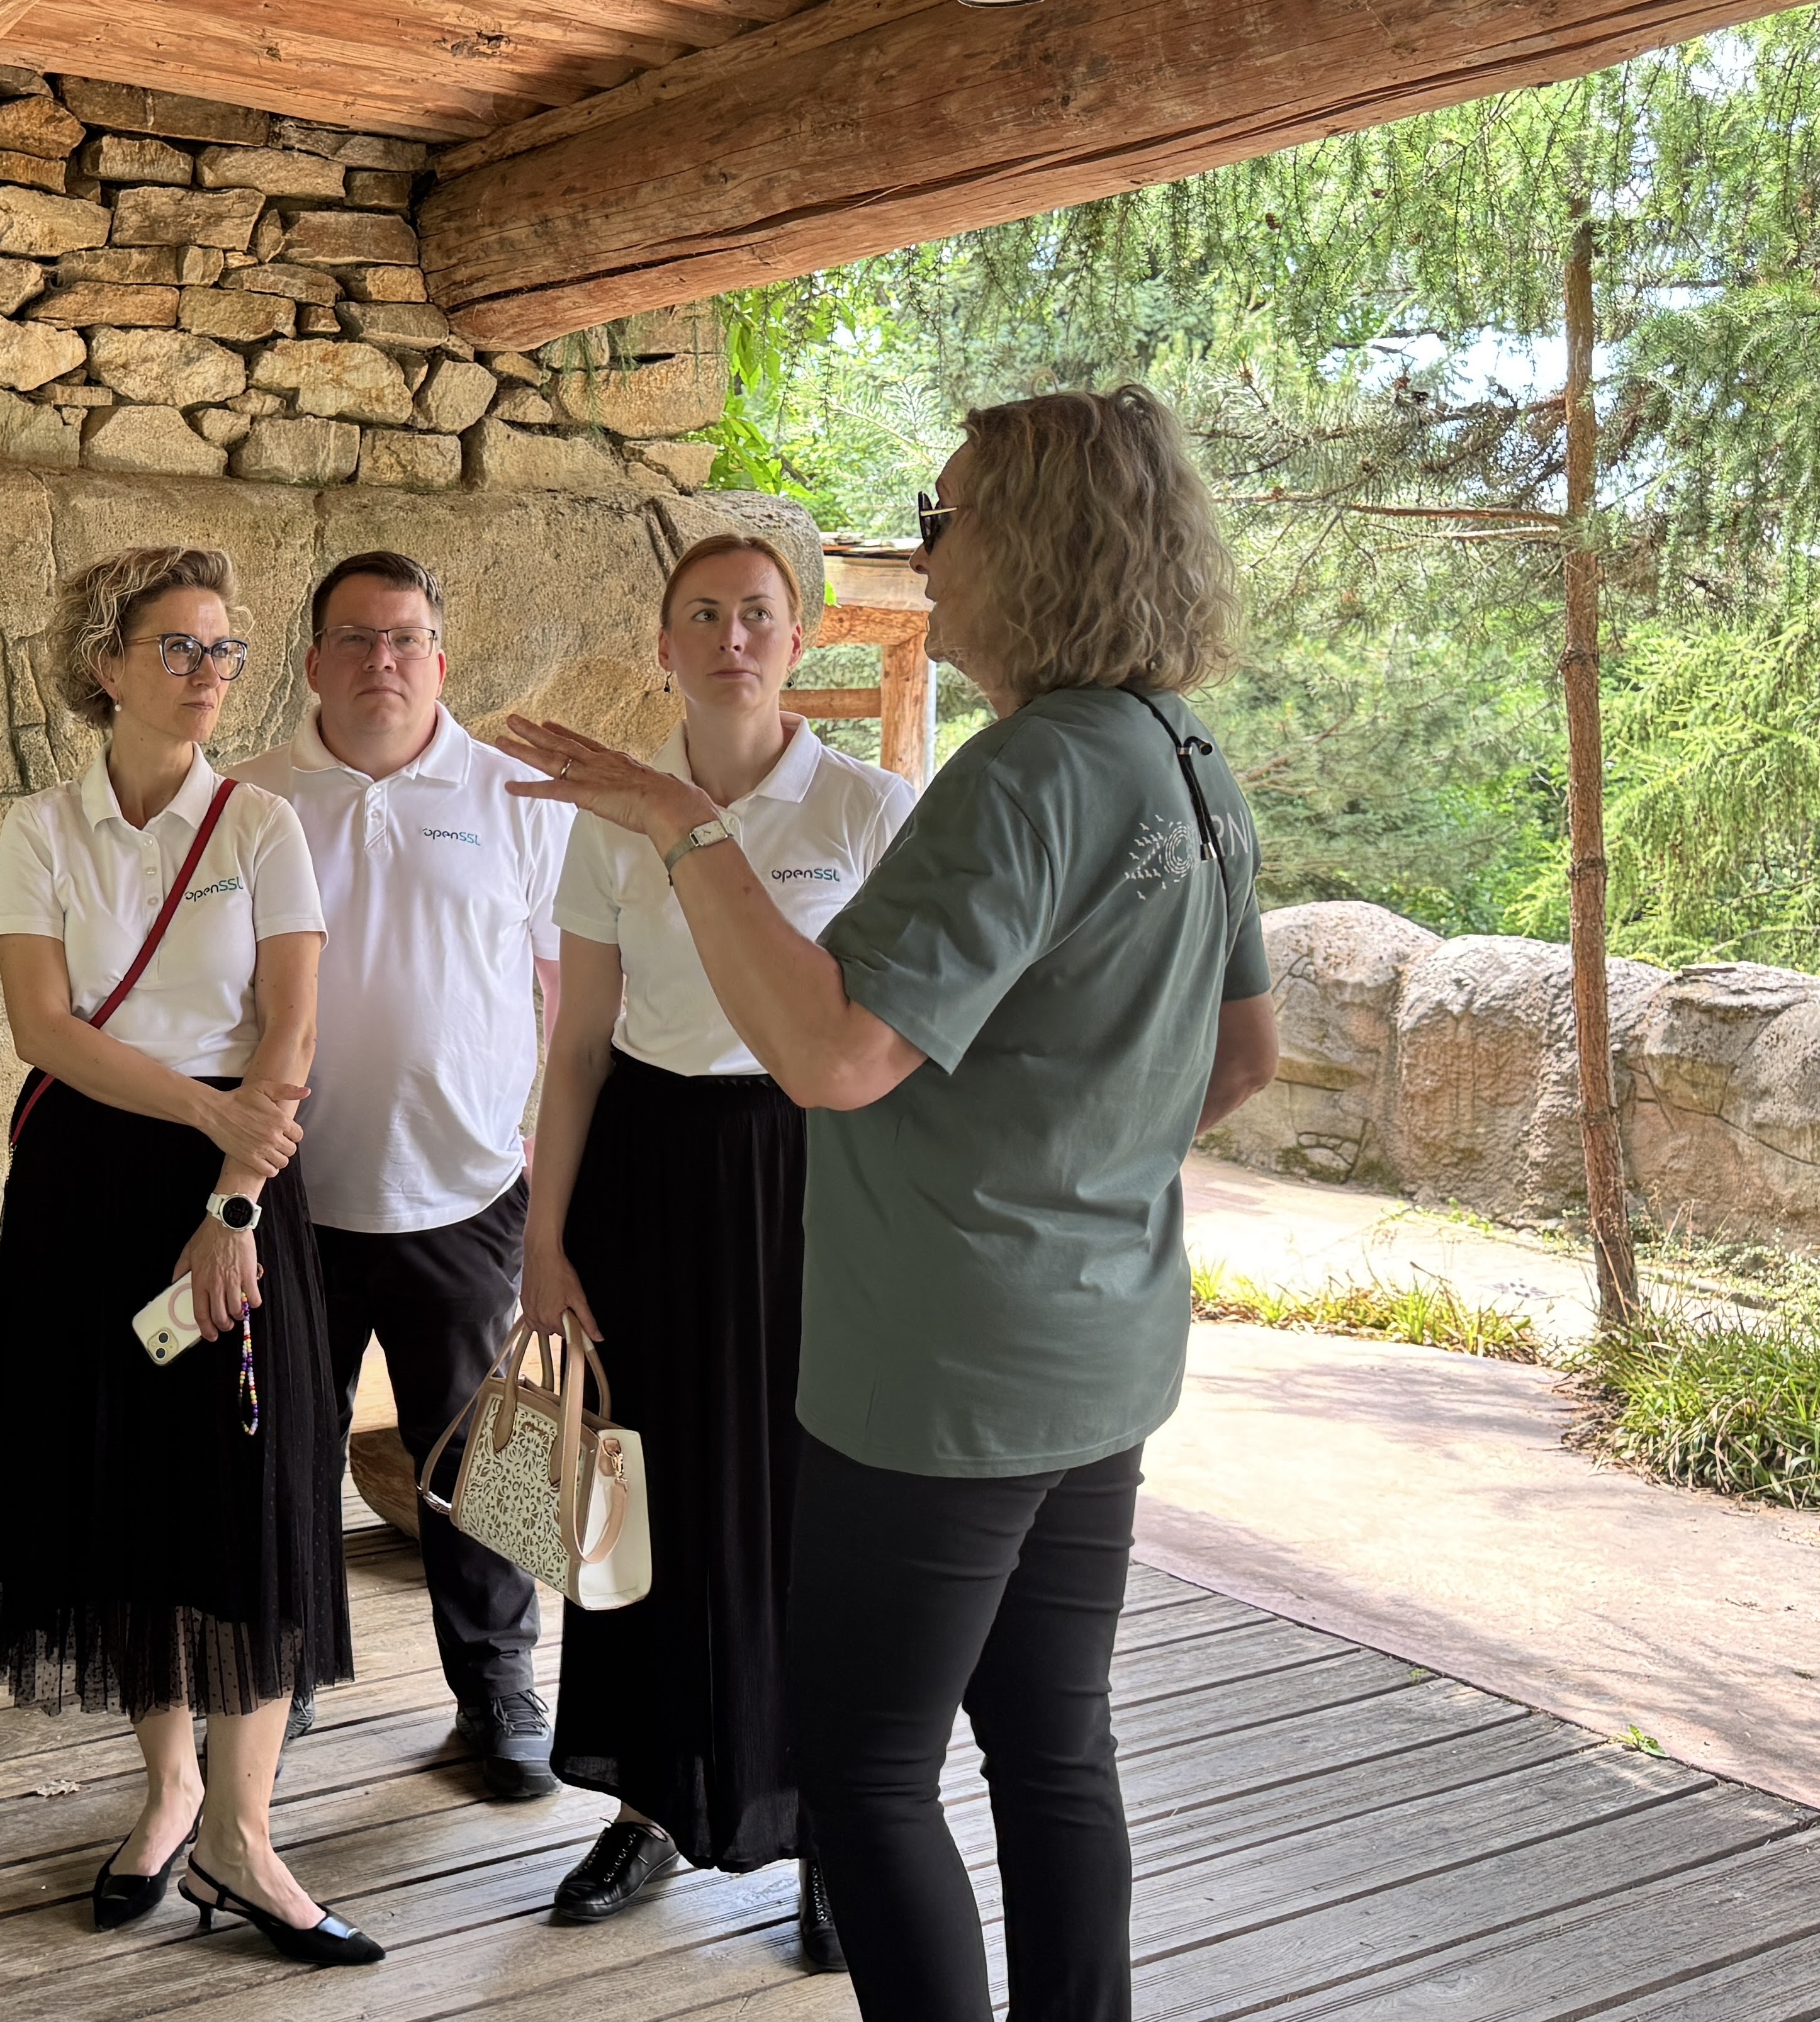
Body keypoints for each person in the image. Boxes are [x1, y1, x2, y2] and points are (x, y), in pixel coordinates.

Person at [500, 386, 1284, 2022]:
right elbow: (1242, 1053)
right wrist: (1052, 1173)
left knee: (865, 1767)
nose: (925, 558)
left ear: (1042, 543)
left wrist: (676, 819)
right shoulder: (1189, 762)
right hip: (1103, 1344)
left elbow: (825, 1052)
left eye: (947, 520)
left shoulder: (1018, 780)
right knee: (1055, 1742)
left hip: (947, 1364)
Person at [0, 546, 379, 1967]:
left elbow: (293, 1027)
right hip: (91, 1183)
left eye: (225, 650)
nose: (208, 674)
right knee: (127, 1496)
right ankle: (171, 1791)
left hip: (241, 1185)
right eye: (180, 647)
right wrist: (209, 1116)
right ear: (107, 662)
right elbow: (46, 1026)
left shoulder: (261, 824)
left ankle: (244, 1836)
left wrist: (235, 1194)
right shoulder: (42, 828)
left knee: (253, 1495)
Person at [519, 532, 916, 1969]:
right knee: (632, 1495)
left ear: (798, 637)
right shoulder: (610, 815)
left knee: (803, 1508)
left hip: (808, 1178)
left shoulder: (871, 805)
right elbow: (576, 1043)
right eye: (705, 613)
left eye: (759, 614)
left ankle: (817, 1826)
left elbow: (891, 1049)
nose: (732, 637)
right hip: (642, 1170)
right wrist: (543, 1236)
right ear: (665, 641)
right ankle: (641, 1795)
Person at [227, 551, 575, 1799]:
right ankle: (289, 1669)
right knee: (278, 1455)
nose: (385, 661)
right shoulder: (253, 798)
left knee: (502, 1461)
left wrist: (556, 1170)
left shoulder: (517, 792)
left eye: (409, 639)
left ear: (441, 656)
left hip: (468, 1191)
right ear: (313, 658)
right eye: (359, 639)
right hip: (292, 1201)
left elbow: (570, 988)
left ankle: (503, 1685)